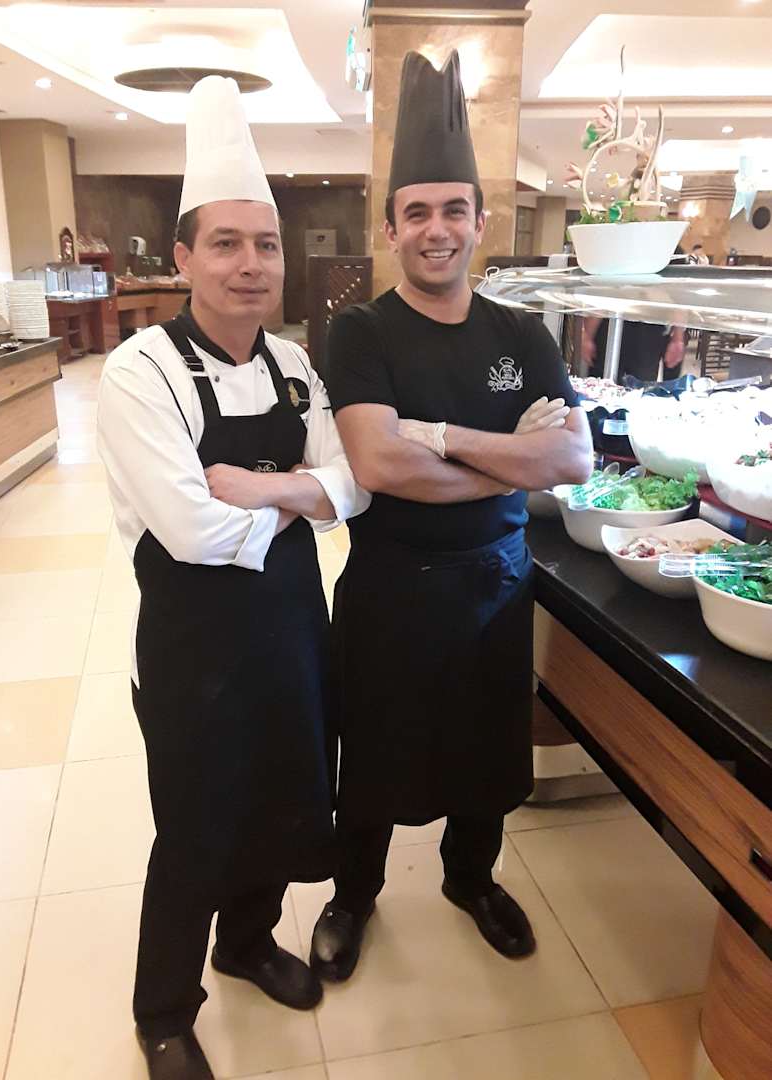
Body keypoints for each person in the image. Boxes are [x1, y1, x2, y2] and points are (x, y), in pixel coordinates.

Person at [97, 76, 369, 1080]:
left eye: (266, 244)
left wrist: (265, 486)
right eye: (225, 243)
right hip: (192, 650)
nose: (250, 264)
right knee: (196, 828)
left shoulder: (296, 366)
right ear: (183, 258)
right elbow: (192, 530)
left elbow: (354, 488)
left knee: (288, 799)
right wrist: (304, 493)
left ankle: (247, 942)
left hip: (293, 630)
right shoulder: (141, 372)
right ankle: (165, 1011)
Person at [309, 51, 593, 982]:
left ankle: (471, 879)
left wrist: (439, 438)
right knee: (374, 755)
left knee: (487, 754)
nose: (438, 230)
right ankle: (353, 894)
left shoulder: (521, 333)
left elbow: (572, 461)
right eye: (419, 212)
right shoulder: (361, 331)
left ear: (480, 220)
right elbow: (377, 464)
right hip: (390, 586)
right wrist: (506, 458)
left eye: (455, 210)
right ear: (391, 227)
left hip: (495, 584)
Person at [581, 317, 687, 383]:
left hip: (647, 324)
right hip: (645, 324)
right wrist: (677, 337)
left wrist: (587, 334)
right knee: (638, 388)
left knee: (603, 388)